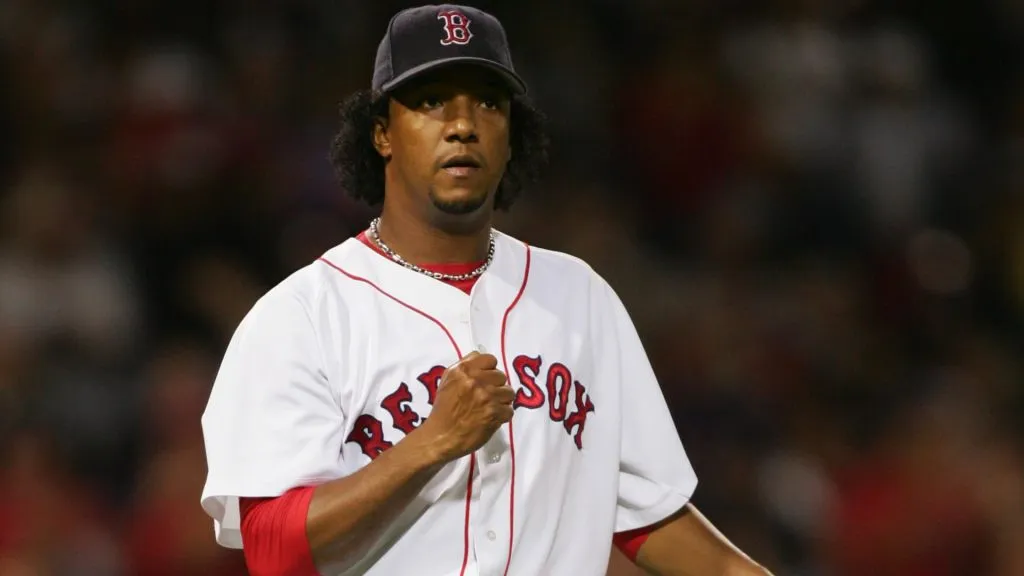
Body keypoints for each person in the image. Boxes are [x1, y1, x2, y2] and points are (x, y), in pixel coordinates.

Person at [200, 4, 774, 575]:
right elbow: (273, 549)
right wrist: (430, 444)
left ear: (510, 135)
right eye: (430, 101)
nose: (462, 123)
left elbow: (642, 511)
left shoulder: (579, 297)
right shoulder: (303, 316)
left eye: (488, 103)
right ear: (381, 133)